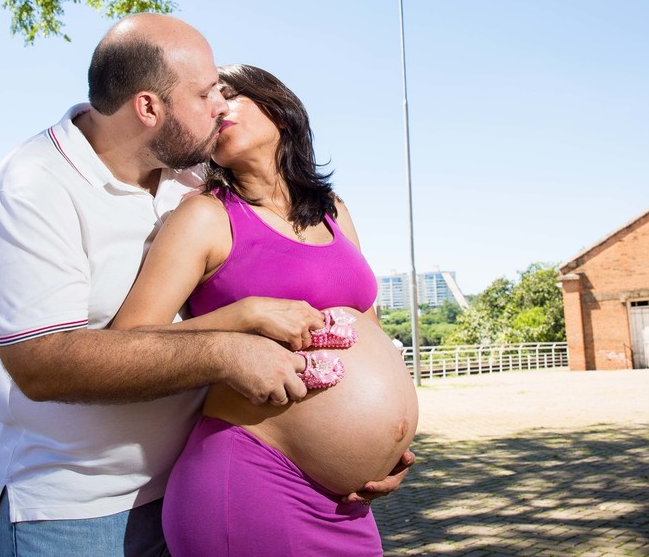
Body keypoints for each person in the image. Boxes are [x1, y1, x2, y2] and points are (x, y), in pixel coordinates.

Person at [0, 15, 409, 557]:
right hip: (72, 508)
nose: (219, 107)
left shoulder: (189, 173)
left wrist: (365, 442)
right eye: (206, 94)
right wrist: (233, 343)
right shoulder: (35, 186)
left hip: (179, 474)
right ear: (149, 108)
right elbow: (42, 364)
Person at [109, 64, 419, 557]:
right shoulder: (205, 215)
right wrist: (244, 315)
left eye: (228, 94)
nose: (216, 108)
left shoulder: (333, 210)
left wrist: (384, 447)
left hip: (347, 501)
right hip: (253, 481)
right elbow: (127, 340)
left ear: (277, 106)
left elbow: (369, 331)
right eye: (207, 101)